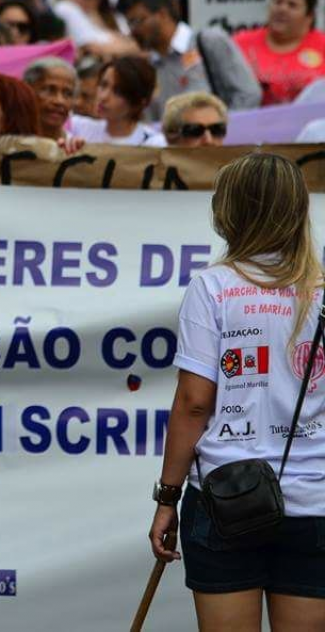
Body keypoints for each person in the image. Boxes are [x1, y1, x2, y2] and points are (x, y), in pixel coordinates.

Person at [149, 152, 325, 632]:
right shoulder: (321, 290)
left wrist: (167, 497)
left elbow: (194, 402)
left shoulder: (213, 287)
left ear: (233, 211)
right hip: (315, 502)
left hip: (223, 498)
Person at [121, 0, 260, 121]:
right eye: (129, 24)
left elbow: (248, 94)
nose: (133, 31)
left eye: (136, 21)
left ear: (162, 14)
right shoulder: (150, 66)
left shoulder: (208, 42)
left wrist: (218, 131)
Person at [234, 0, 325, 106]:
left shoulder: (322, 45)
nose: (282, 9)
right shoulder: (240, 43)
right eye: (278, 2)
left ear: (309, 16)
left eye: (292, 5)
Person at [68, 56, 157, 145]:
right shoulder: (77, 127)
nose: (103, 97)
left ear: (138, 103)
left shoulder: (153, 143)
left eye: (118, 92)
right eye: (103, 85)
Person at [145, 92, 228, 148]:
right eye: (195, 130)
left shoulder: (236, 173)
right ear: (170, 137)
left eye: (216, 129)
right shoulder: (152, 173)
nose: (208, 140)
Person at [23, 56, 77, 140]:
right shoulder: (6, 145)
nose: (59, 101)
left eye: (67, 94)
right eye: (49, 90)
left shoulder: (77, 150)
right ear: (27, 91)